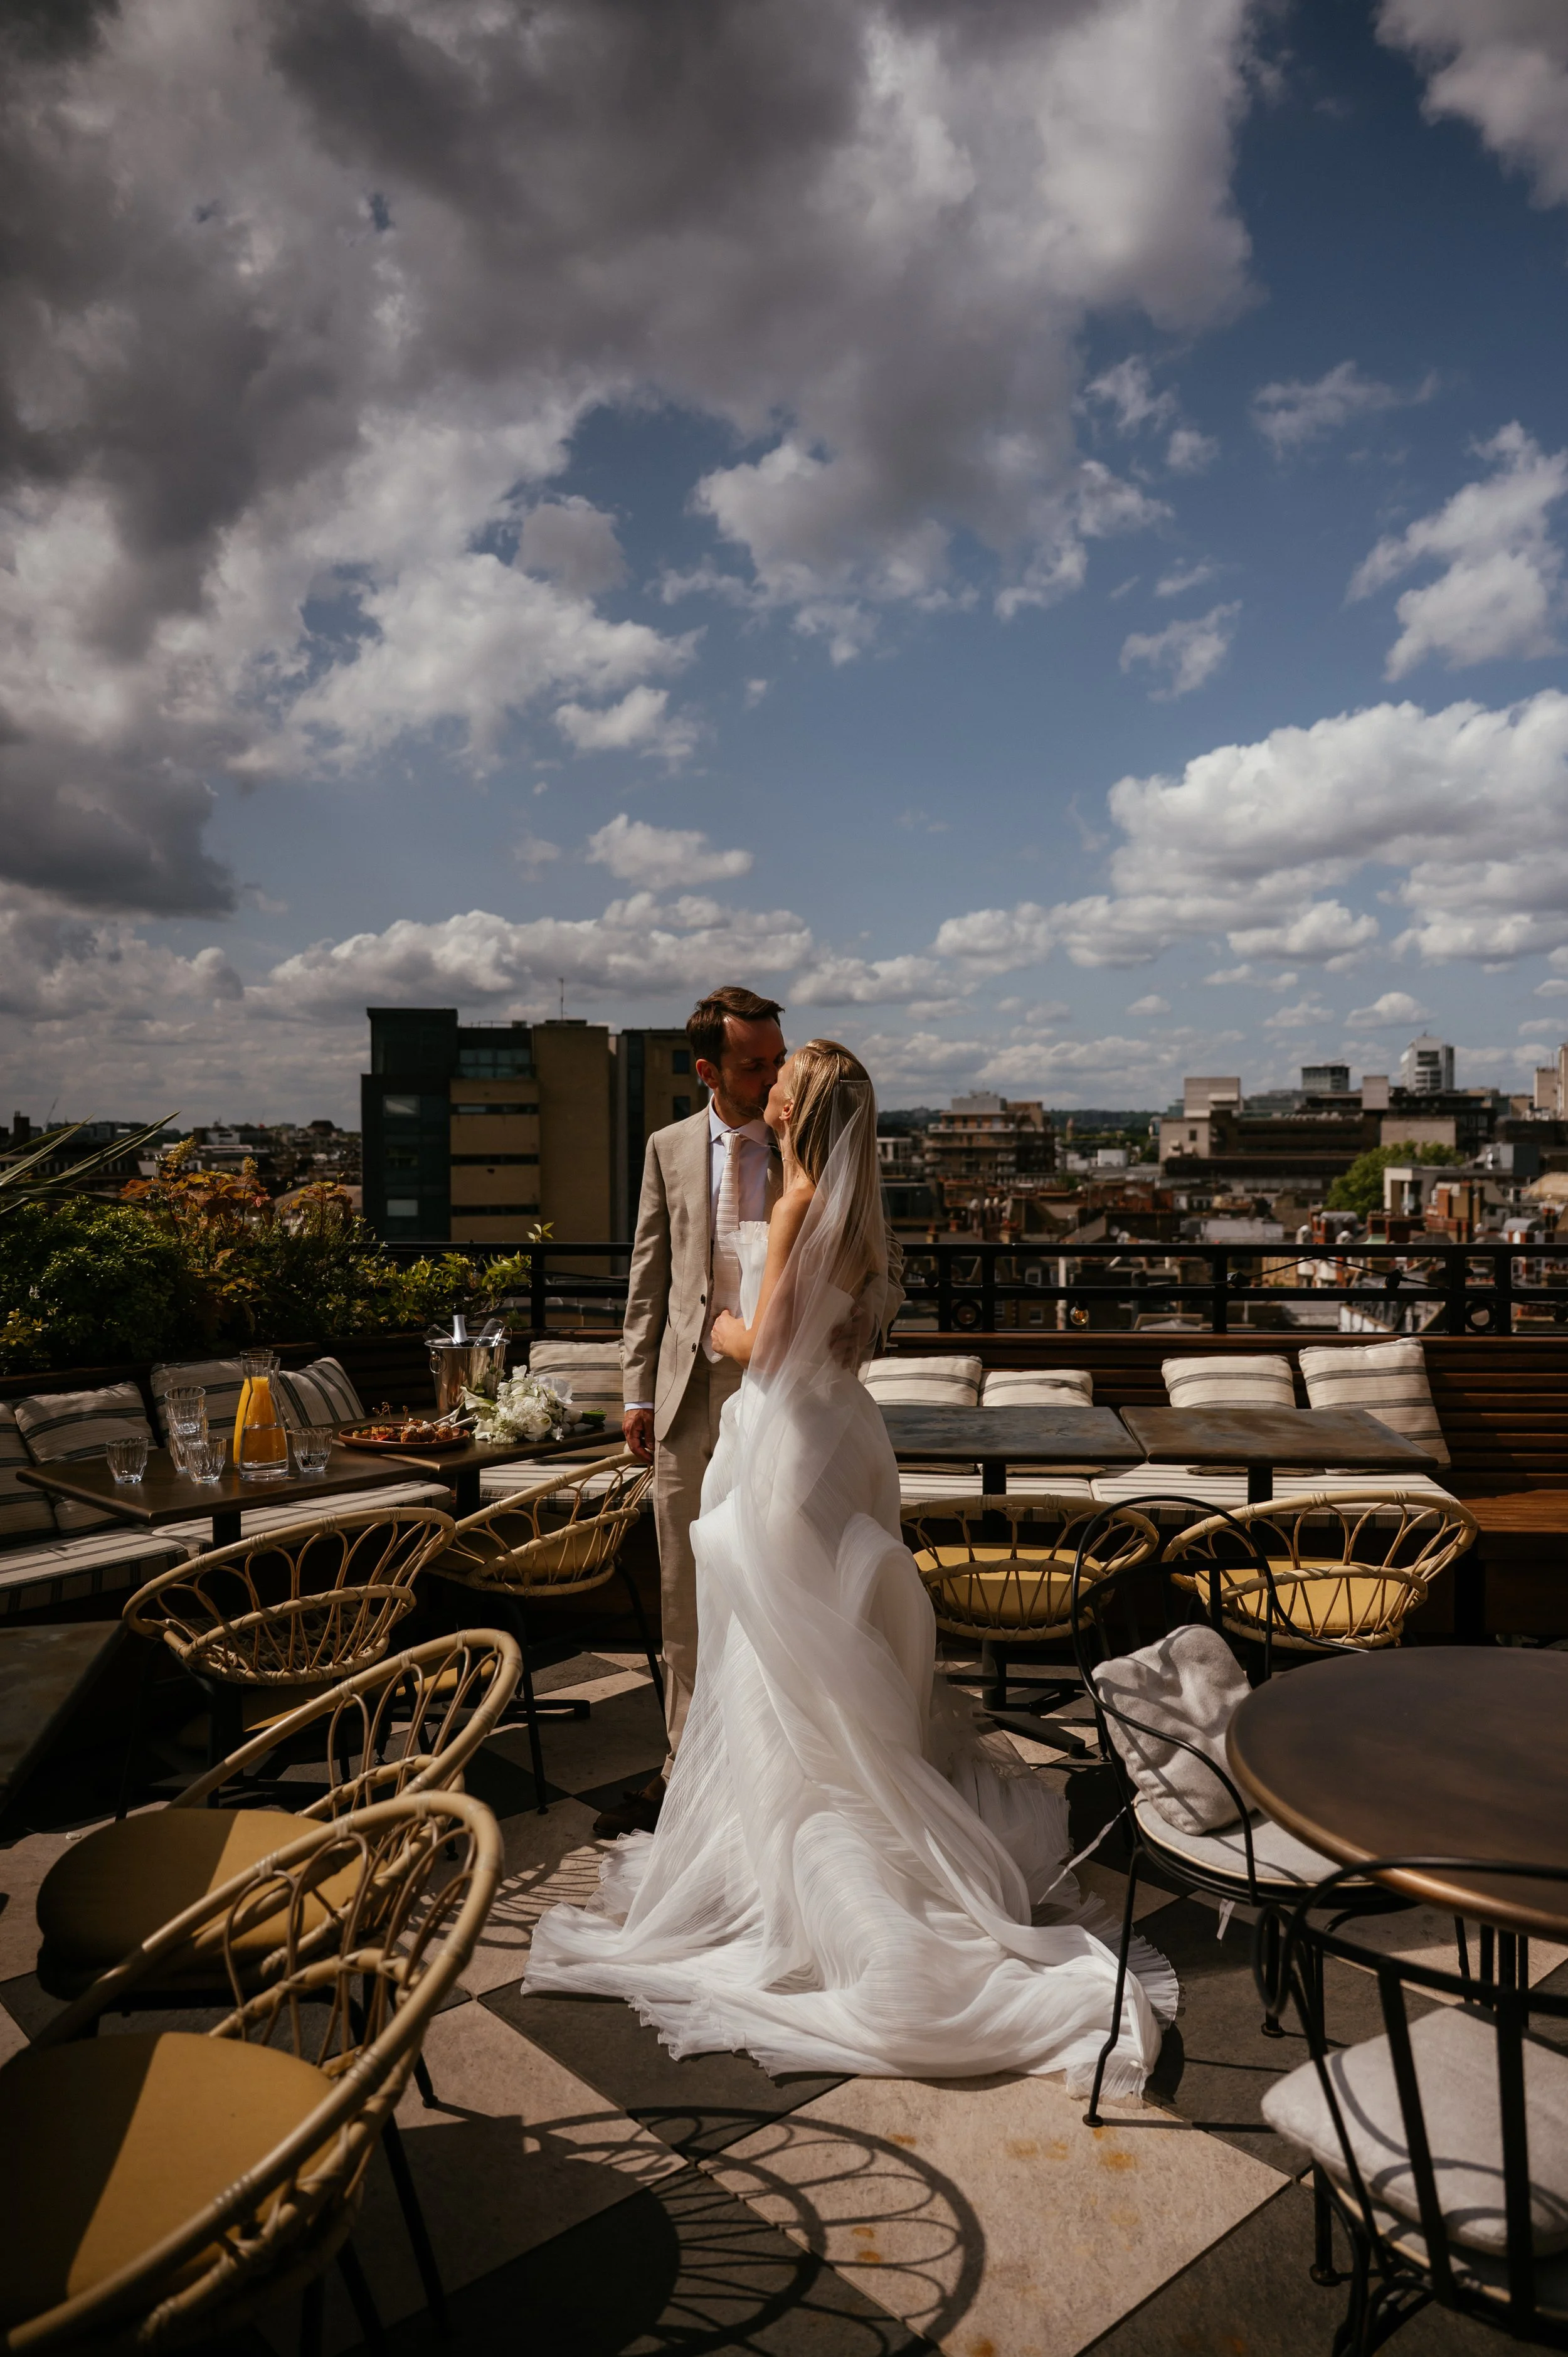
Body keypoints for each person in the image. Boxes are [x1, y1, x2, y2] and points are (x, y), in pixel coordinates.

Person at [526, 1041, 1175, 2095]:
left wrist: (706, 1314)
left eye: (786, 1076)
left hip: (789, 1443)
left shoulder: (795, 1207)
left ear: (801, 1104)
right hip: (843, 1434)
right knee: (817, 1652)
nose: (770, 1082)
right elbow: (836, 1345)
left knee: (785, 1658)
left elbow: (767, 1351)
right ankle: (801, 1841)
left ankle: (807, 1873)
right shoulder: (855, 1208)